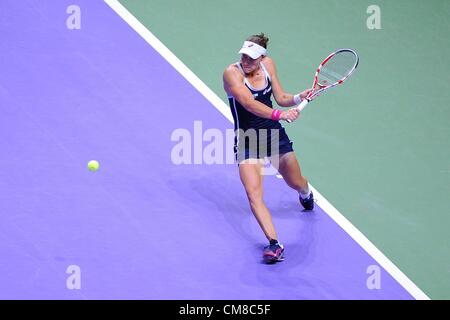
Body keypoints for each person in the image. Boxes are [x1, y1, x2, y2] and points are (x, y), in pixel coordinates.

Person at [222, 33, 314, 263]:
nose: (246, 61)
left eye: (252, 58)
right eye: (244, 56)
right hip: (247, 139)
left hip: (274, 136)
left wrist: (298, 97)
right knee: (253, 193)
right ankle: (274, 243)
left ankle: (305, 192)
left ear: (262, 58)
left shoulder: (268, 65)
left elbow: (281, 97)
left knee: (296, 182)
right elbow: (249, 104)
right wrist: (280, 115)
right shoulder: (231, 73)